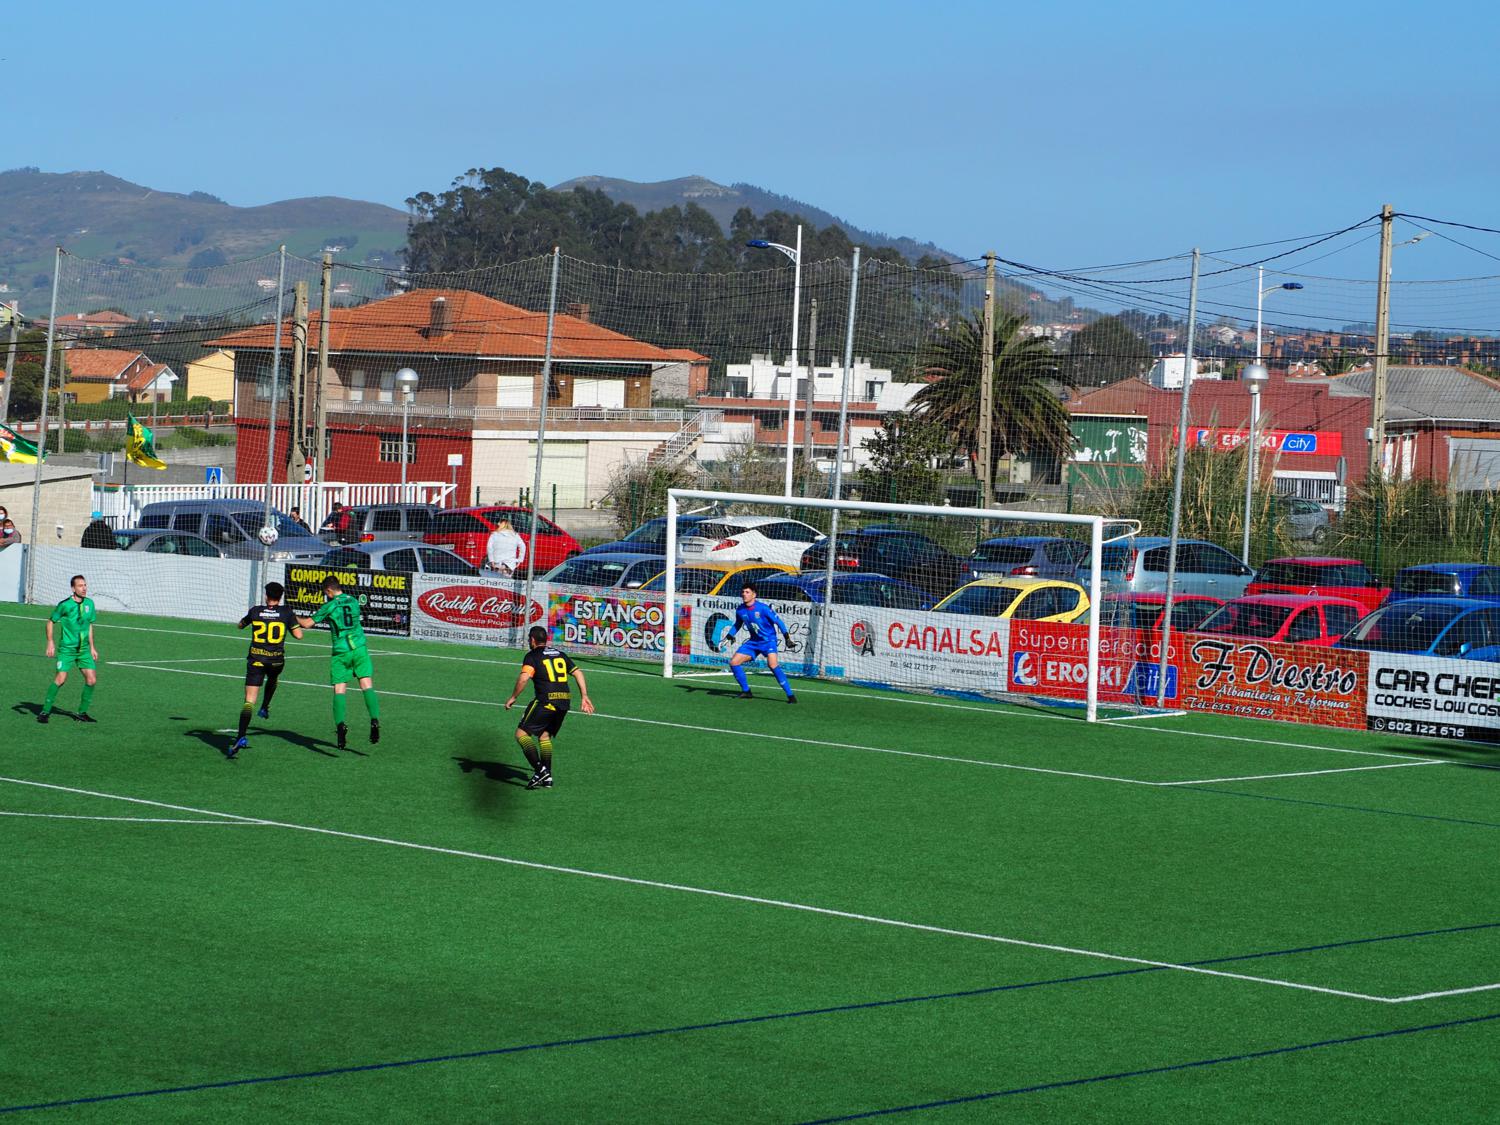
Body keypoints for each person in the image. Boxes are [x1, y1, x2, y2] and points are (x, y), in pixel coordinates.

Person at [296, 575, 380, 751]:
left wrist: (292, 616)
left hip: (341, 652)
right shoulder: (354, 601)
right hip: (360, 649)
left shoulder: (330, 605)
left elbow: (307, 624)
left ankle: (340, 725)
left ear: (329, 590)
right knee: (366, 684)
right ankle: (374, 720)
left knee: (339, 689)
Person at [504, 625, 593, 789]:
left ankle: (541, 770)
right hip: (564, 702)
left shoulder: (532, 656)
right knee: (544, 737)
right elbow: (578, 672)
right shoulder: (560, 654)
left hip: (546, 701)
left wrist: (513, 697)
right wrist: (584, 696)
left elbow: (524, 678)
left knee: (521, 734)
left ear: (532, 640)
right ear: (546, 639)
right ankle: (548, 777)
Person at [228, 582, 304, 758]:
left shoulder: (255, 611)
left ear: (266, 595)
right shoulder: (286, 612)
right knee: (273, 678)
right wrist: (291, 620)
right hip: (276, 660)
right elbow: (299, 635)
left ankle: (241, 736)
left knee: (249, 701)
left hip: (256, 659)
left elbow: (240, 625)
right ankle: (265, 706)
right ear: (281, 597)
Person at [40, 574, 99, 723]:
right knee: (60, 679)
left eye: (85, 585)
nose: (84, 588)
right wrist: (50, 642)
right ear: (73, 588)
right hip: (67, 650)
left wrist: (92, 647)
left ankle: (82, 713)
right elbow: (50, 622)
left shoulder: (90, 604)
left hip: (84, 650)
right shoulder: (64, 605)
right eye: (80, 586)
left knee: (91, 680)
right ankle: (45, 712)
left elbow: (89, 625)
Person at [727, 583, 797, 703]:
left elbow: (779, 622)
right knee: (734, 662)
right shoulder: (740, 609)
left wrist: (787, 638)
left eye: (747, 592)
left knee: (772, 665)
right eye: (743, 592)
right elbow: (738, 624)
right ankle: (746, 691)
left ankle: (790, 695)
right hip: (754, 642)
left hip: (768, 641)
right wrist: (730, 635)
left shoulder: (763, 608)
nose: (744, 594)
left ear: (754, 594)